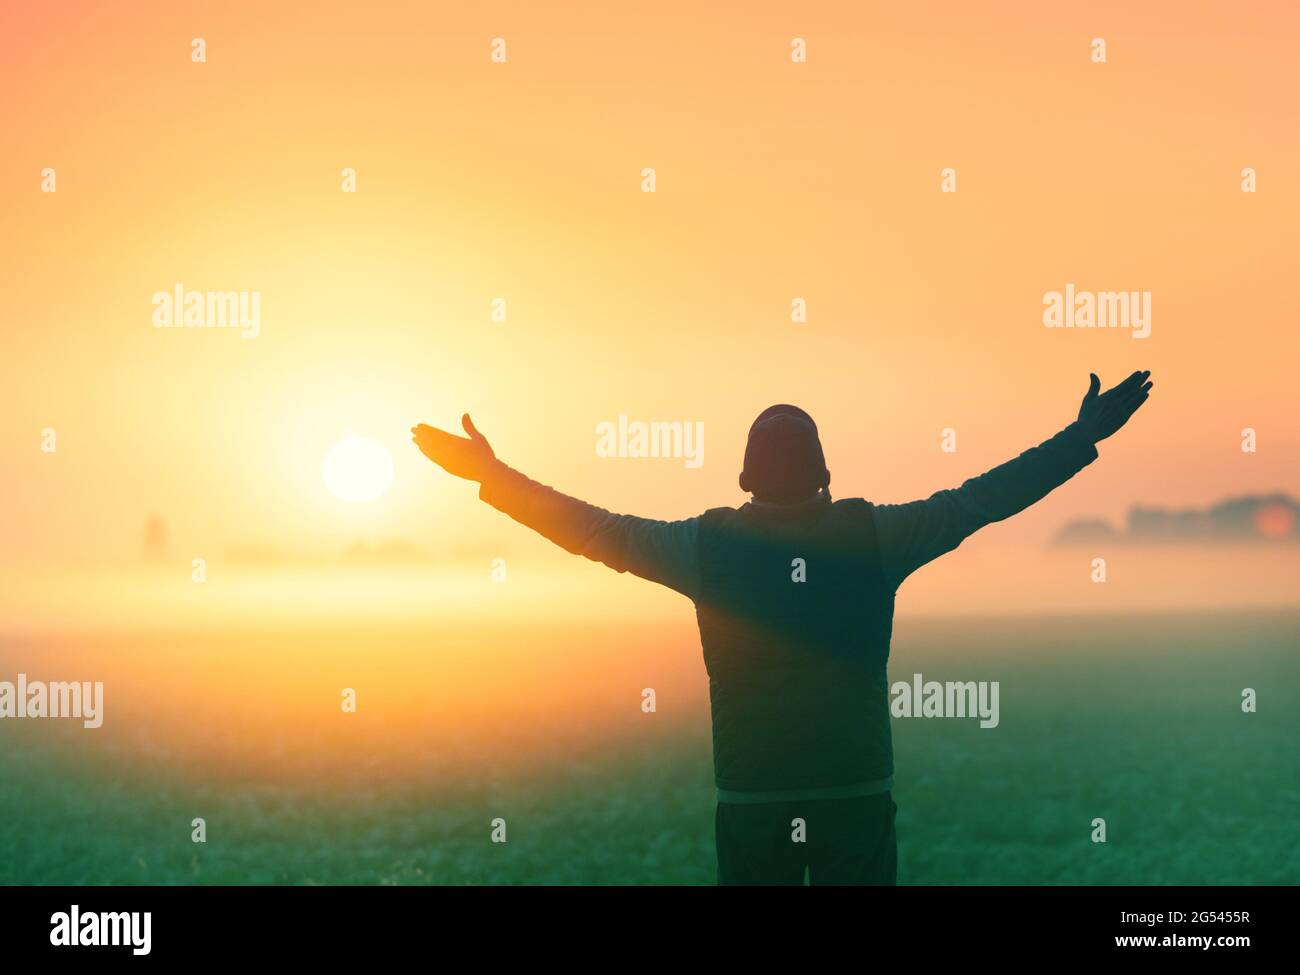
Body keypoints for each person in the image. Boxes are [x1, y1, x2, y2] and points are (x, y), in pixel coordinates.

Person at [411, 370, 1153, 884]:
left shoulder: (704, 544)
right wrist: (1082, 436)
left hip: (753, 797)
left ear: (744, 478)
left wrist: (495, 477)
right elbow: (982, 499)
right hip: (855, 793)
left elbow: (593, 529)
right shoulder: (875, 533)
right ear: (825, 471)